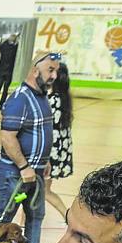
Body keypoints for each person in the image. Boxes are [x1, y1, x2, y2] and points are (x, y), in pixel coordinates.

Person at [0, 51, 61, 243]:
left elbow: (39, 132)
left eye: (56, 71)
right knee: (5, 219)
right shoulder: (20, 98)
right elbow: (8, 138)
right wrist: (24, 166)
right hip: (14, 174)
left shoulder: (41, 97)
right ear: (34, 69)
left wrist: (44, 161)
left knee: (35, 216)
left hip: (35, 173)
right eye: (50, 70)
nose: (54, 76)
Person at [46, 63, 74, 219]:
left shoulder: (53, 100)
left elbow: (48, 128)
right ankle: (24, 222)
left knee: (44, 191)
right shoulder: (64, 98)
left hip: (51, 152)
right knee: (36, 190)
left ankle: (67, 216)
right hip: (58, 151)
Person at [0, 33, 19, 110]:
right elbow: (17, 46)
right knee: (5, 90)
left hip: (2, 70)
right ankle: (1, 105)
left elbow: (1, 46)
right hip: (9, 71)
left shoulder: (3, 46)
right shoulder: (14, 48)